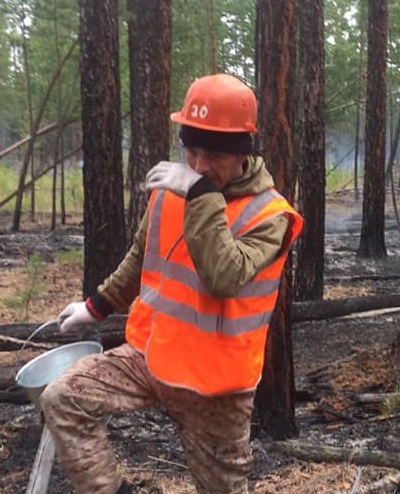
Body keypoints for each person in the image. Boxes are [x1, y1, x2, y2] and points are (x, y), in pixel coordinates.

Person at [39, 74, 304, 494]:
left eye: (213, 154)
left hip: (216, 386)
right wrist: (97, 306)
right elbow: (141, 258)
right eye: (191, 150)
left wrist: (200, 195)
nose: (198, 164)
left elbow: (223, 276)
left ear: (242, 153)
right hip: (150, 356)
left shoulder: (270, 216)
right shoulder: (173, 190)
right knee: (62, 399)